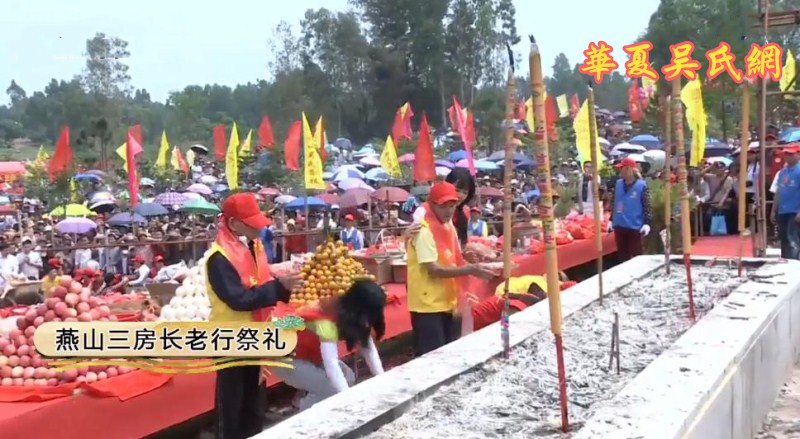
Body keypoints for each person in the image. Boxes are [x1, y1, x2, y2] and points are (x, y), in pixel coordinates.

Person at [205, 193, 302, 439]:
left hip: (256, 335)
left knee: (254, 403)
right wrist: (279, 288)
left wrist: (283, 286)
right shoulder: (219, 258)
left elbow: (261, 281)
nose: (259, 228)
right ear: (234, 224)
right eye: (252, 223)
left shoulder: (252, 246)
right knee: (232, 407)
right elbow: (239, 299)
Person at [406, 182, 497, 356]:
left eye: (452, 205)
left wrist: (467, 259)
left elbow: (451, 256)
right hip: (427, 305)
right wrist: (471, 269)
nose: (448, 211)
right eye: (443, 206)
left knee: (446, 352)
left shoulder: (449, 227)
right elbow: (433, 270)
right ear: (432, 205)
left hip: (446, 301)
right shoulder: (423, 230)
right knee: (432, 357)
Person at [272, 279, 386, 410]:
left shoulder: (353, 314)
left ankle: (307, 395)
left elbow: (368, 348)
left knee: (348, 377)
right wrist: (349, 400)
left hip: (311, 355)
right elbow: (331, 364)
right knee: (329, 389)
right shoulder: (325, 320)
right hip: (285, 357)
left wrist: (383, 381)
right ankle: (304, 411)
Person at [413, 167, 476, 246]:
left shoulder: (465, 212)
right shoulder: (424, 210)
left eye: (465, 192)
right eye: (457, 190)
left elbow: (461, 244)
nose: (460, 195)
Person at [610, 157, 652, 260]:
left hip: (635, 226)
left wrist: (647, 223)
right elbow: (614, 202)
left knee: (636, 256)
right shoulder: (618, 184)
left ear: (628, 169)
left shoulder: (641, 185)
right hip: (619, 224)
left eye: (622, 168)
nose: (620, 171)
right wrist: (611, 219)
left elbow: (647, 205)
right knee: (622, 256)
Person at [770, 145, 800, 259]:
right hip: (783, 210)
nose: (787, 156)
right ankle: (786, 260)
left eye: (790, 154)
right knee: (784, 238)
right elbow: (779, 191)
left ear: (798, 155)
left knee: (793, 239)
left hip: (795, 210)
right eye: (786, 154)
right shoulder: (783, 171)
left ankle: (795, 263)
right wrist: (773, 210)